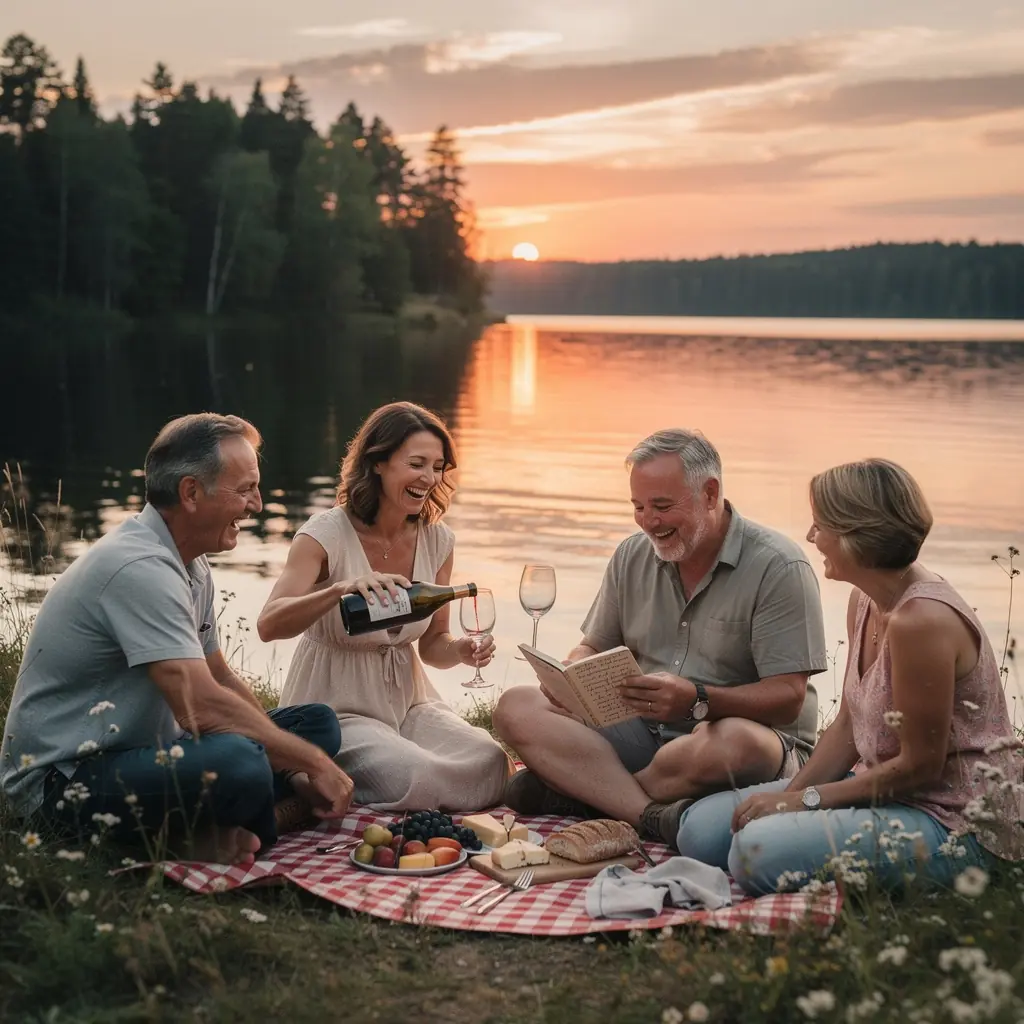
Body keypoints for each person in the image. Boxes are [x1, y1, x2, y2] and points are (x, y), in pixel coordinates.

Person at [0, 414, 353, 865]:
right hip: (63, 780)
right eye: (245, 489)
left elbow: (218, 676)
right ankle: (206, 835)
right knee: (242, 763)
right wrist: (313, 765)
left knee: (317, 724)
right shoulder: (139, 568)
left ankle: (236, 822)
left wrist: (290, 755)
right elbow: (199, 706)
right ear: (190, 492)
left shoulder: (190, 564)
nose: (258, 505)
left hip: (150, 752)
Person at [676, 459, 1023, 894]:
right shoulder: (865, 600)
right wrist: (790, 799)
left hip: (953, 821)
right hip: (878, 788)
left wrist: (802, 802)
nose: (810, 536)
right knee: (699, 831)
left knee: (751, 852)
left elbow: (920, 768)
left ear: (857, 536)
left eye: (821, 526)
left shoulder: (922, 621)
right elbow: (847, 725)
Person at [493, 428, 827, 847]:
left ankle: (587, 793)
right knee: (517, 705)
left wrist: (698, 698)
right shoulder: (632, 555)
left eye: (663, 506)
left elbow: (788, 698)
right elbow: (593, 643)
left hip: (735, 742)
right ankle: (647, 815)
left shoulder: (779, 567)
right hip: (645, 734)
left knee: (733, 743)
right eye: (638, 506)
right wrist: (574, 669)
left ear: (710, 493)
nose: (649, 521)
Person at [258, 401, 511, 810]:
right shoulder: (324, 536)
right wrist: (339, 588)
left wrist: (461, 651)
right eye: (416, 464)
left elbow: (433, 644)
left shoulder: (437, 540)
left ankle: (385, 789)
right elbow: (269, 624)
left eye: (438, 466)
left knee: (490, 760)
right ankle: (307, 774)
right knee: (417, 775)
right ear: (378, 463)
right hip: (336, 709)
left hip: (408, 703)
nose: (429, 478)